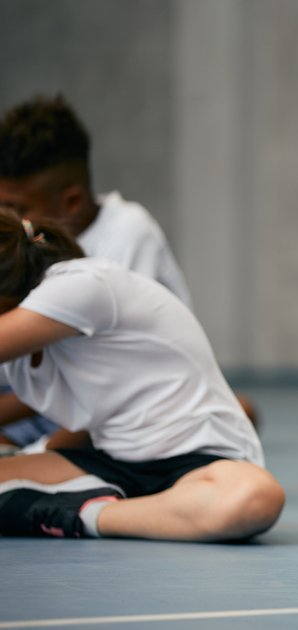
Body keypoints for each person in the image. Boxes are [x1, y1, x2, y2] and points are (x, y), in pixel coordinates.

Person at [0, 214, 283, 540]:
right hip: (111, 461)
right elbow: (95, 414)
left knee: (254, 498)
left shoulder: (80, 284)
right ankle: (110, 508)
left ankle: (81, 515)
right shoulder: (23, 332)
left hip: (196, 462)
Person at [0, 94, 255, 452]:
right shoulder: (26, 246)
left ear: (72, 201)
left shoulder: (122, 239)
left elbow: (104, 380)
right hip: (43, 390)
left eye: (14, 207)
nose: (6, 217)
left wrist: (39, 453)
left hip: (102, 397)